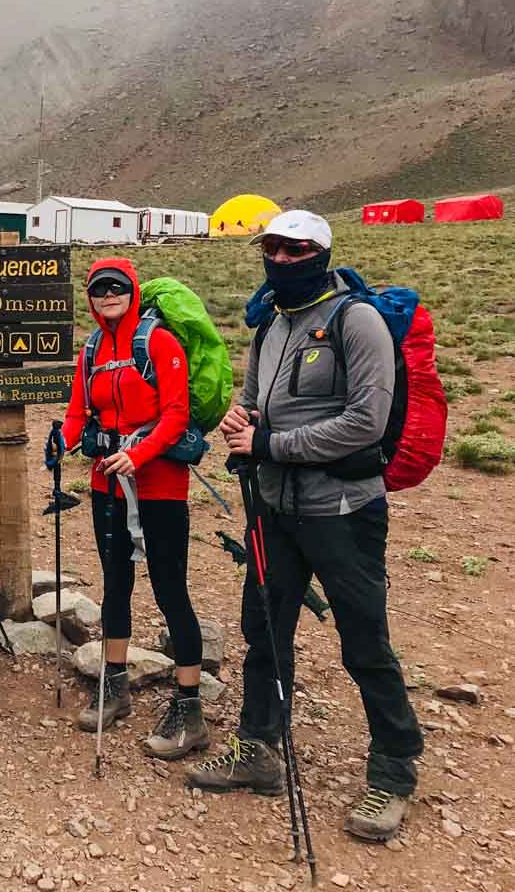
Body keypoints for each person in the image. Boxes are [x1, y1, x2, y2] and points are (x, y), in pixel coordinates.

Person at [186, 211, 423, 843]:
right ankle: (258, 748)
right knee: (264, 629)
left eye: (295, 250)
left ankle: (394, 768)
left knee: (364, 639)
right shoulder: (271, 323)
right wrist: (241, 422)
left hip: (343, 510)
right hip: (274, 507)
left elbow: (366, 422)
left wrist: (271, 443)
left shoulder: (357, 320)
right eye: (272, 249)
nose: (282, 260)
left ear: (320, 253)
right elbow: (253, 400)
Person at [52, 258, 208, 757]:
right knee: (115, 583)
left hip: (160, 485)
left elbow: (176, 414)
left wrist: (137, 455)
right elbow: (78, 412)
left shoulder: (159, 343)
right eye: (99, 288)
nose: (108, 295)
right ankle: (114, 685)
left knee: (170, 589)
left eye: (117, 287)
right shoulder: (91, 350)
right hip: (108, 485)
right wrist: (62, 440)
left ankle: (189, 707)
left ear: (133, 290)